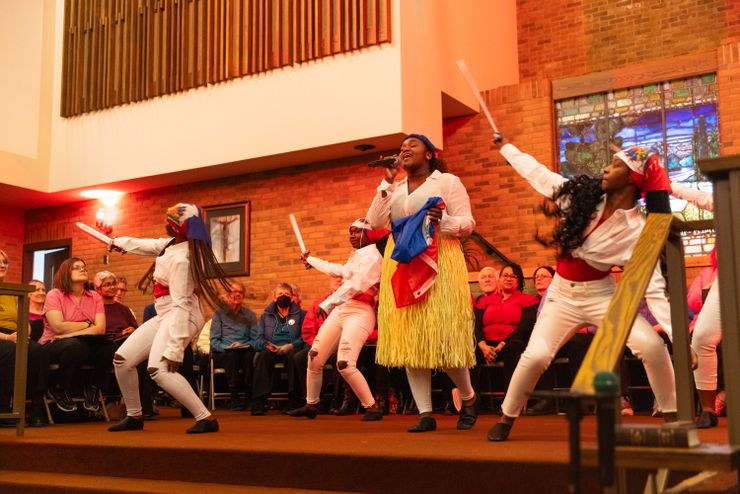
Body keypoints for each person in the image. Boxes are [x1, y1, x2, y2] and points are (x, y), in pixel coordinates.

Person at [487, 136, 677, 441]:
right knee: (535, 356)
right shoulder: (581, 196)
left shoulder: (638, 230)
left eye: (615, 166)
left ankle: (673, 417)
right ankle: (507, 417)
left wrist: (679, 338)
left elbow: (653, 287)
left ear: (632, 180)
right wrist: (507, 148)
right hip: (562, 294)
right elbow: (539, 175)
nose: (604, 168)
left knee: (652, 347)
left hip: (602, 296)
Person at [366, 134, 478, 432]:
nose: (404, 150)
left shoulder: (447, 181)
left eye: (411, 145)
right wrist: (386, 183)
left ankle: (468, 398)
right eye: (402, 148)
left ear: (428, 154)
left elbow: (467, 223)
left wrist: (444, 221)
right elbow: (375, 223)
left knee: (443, 337)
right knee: (410, 338)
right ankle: (425, 412)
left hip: (439, 258)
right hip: (402, 262)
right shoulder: (395, 188)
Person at [107, 203, 228, 433]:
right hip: (165, 315)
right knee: (122, 360)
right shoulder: (172, 244)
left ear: (177, 227)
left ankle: (206, 418)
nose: (165, 222)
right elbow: (148, 245)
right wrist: (119, 242)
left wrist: (175, 349)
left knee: (158, 370)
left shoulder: (183, 259)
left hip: (182, 315)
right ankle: (134, 416)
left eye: (169, 220)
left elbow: (182, 304)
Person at [287, 219, 387, 421]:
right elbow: (339, 270)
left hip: (360, 312)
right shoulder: (357, 256)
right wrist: (312, 260)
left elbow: (356, 286)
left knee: (344, 363)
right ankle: (311, 404)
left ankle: (372, 407)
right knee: (314, 356)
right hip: (343, 310)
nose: (351, 235)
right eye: (350, 231)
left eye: (357, 232)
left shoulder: (374, 258)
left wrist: (329, 302)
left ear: (369, 235)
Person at [671, 182, 721, 428]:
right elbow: (704, 198)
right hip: (729, 274)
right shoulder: (730, 194)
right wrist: (669, 186)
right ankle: (708, 410)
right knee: (701, 337)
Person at [40, 257, 113, 415]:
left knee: (109, 348)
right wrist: (87, 325)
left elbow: (100, 329)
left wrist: (72, 332)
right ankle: (58, 387)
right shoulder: (55, 294)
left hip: (81, 343)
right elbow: (58, 327)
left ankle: (92, 387)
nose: (83, 269)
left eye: (84, 267)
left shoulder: (94, 296)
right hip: (53, 344)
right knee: (77, 346)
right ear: (66, 272)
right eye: (77, 267)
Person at [472, 263, 539, 397]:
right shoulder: (485, 301)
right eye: (505, 275)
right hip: (487, 344)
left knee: (513, 348)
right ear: (500, 279)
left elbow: (525, 327)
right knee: (468, 349)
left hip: (512, 342)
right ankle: (472, 399)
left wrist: (503, 344)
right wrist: (483, 346)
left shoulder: (528, 300)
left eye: (513, 276)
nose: (508, 278)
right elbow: (475, 325)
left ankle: (510, 400)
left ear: (519, 281)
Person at [0, 249, 48, 427]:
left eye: (4, 262)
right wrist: (7, 337)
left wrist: (23, 336)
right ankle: (4, 409)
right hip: (3, 336)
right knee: (10, 351)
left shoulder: (13, 291)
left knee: (38, 352)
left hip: (15, 334)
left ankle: (35, 409)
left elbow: (24, 323)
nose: (2, 265)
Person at [249, 283, 306, 415]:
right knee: (263, 356)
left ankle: (294, 400)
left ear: (292, 298)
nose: (283, 297)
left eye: (287, 294)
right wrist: (267, 345)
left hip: (291, 347)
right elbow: (258, 339)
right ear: (274, 298)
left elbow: (305, 336)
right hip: (271, 347)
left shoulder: (302, 315)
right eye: (280, 294)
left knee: (295, 357)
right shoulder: (265, 317)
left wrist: (292, 345)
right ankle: (259, 400)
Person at [291, 276, 343, 411]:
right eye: (335, 278)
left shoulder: (349, 302)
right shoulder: (319, 304)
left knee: (340, 360)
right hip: (319, 344)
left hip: (340, 346)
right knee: (300, 357)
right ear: (329, 283)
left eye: (341, 277)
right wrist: (320, 345)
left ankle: (336, 401)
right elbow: (308, 330)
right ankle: (311, 400)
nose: (338, 280)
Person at [210, 281, 257, 411]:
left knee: (249, 356)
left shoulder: (250, 315)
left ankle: (249, 397)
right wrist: (227, 347)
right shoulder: (219, 314)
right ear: (228, 295)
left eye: (240, 292)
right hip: (225, 351)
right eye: (233, 292)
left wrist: (244, 345)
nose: (237, 294)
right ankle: (234, 397)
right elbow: (214, 341)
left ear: (244, 296)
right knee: (232, 355)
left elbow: (255, 340)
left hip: (244, 349)